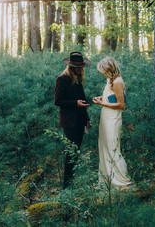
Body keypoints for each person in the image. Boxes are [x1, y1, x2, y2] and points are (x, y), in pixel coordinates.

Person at [92, 57, 132, 189]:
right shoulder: (110, 80)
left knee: (113, 147)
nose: (102, 73)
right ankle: (108, 179)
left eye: (103, 70)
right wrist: (102, 98)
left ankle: (121, 180)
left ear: (109, 69)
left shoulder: (118, 81)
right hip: (106, 117)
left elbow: (121, 104)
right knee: (105, 147)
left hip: (113, 119)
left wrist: (102, 103)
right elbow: (112, 98)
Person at [54, 51, 92, 188]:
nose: (80, 69)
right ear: (70, 66)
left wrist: (87, 119)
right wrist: (75, 103)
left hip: (80, 121)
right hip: (69, 122)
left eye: (81, 66)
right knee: (72, 151)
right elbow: (57, 101)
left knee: (77, 151)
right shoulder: (62, 79)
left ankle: (72, 181)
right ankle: (67, 185)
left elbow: (83, 101)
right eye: (77, 67)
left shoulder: (78, 80)